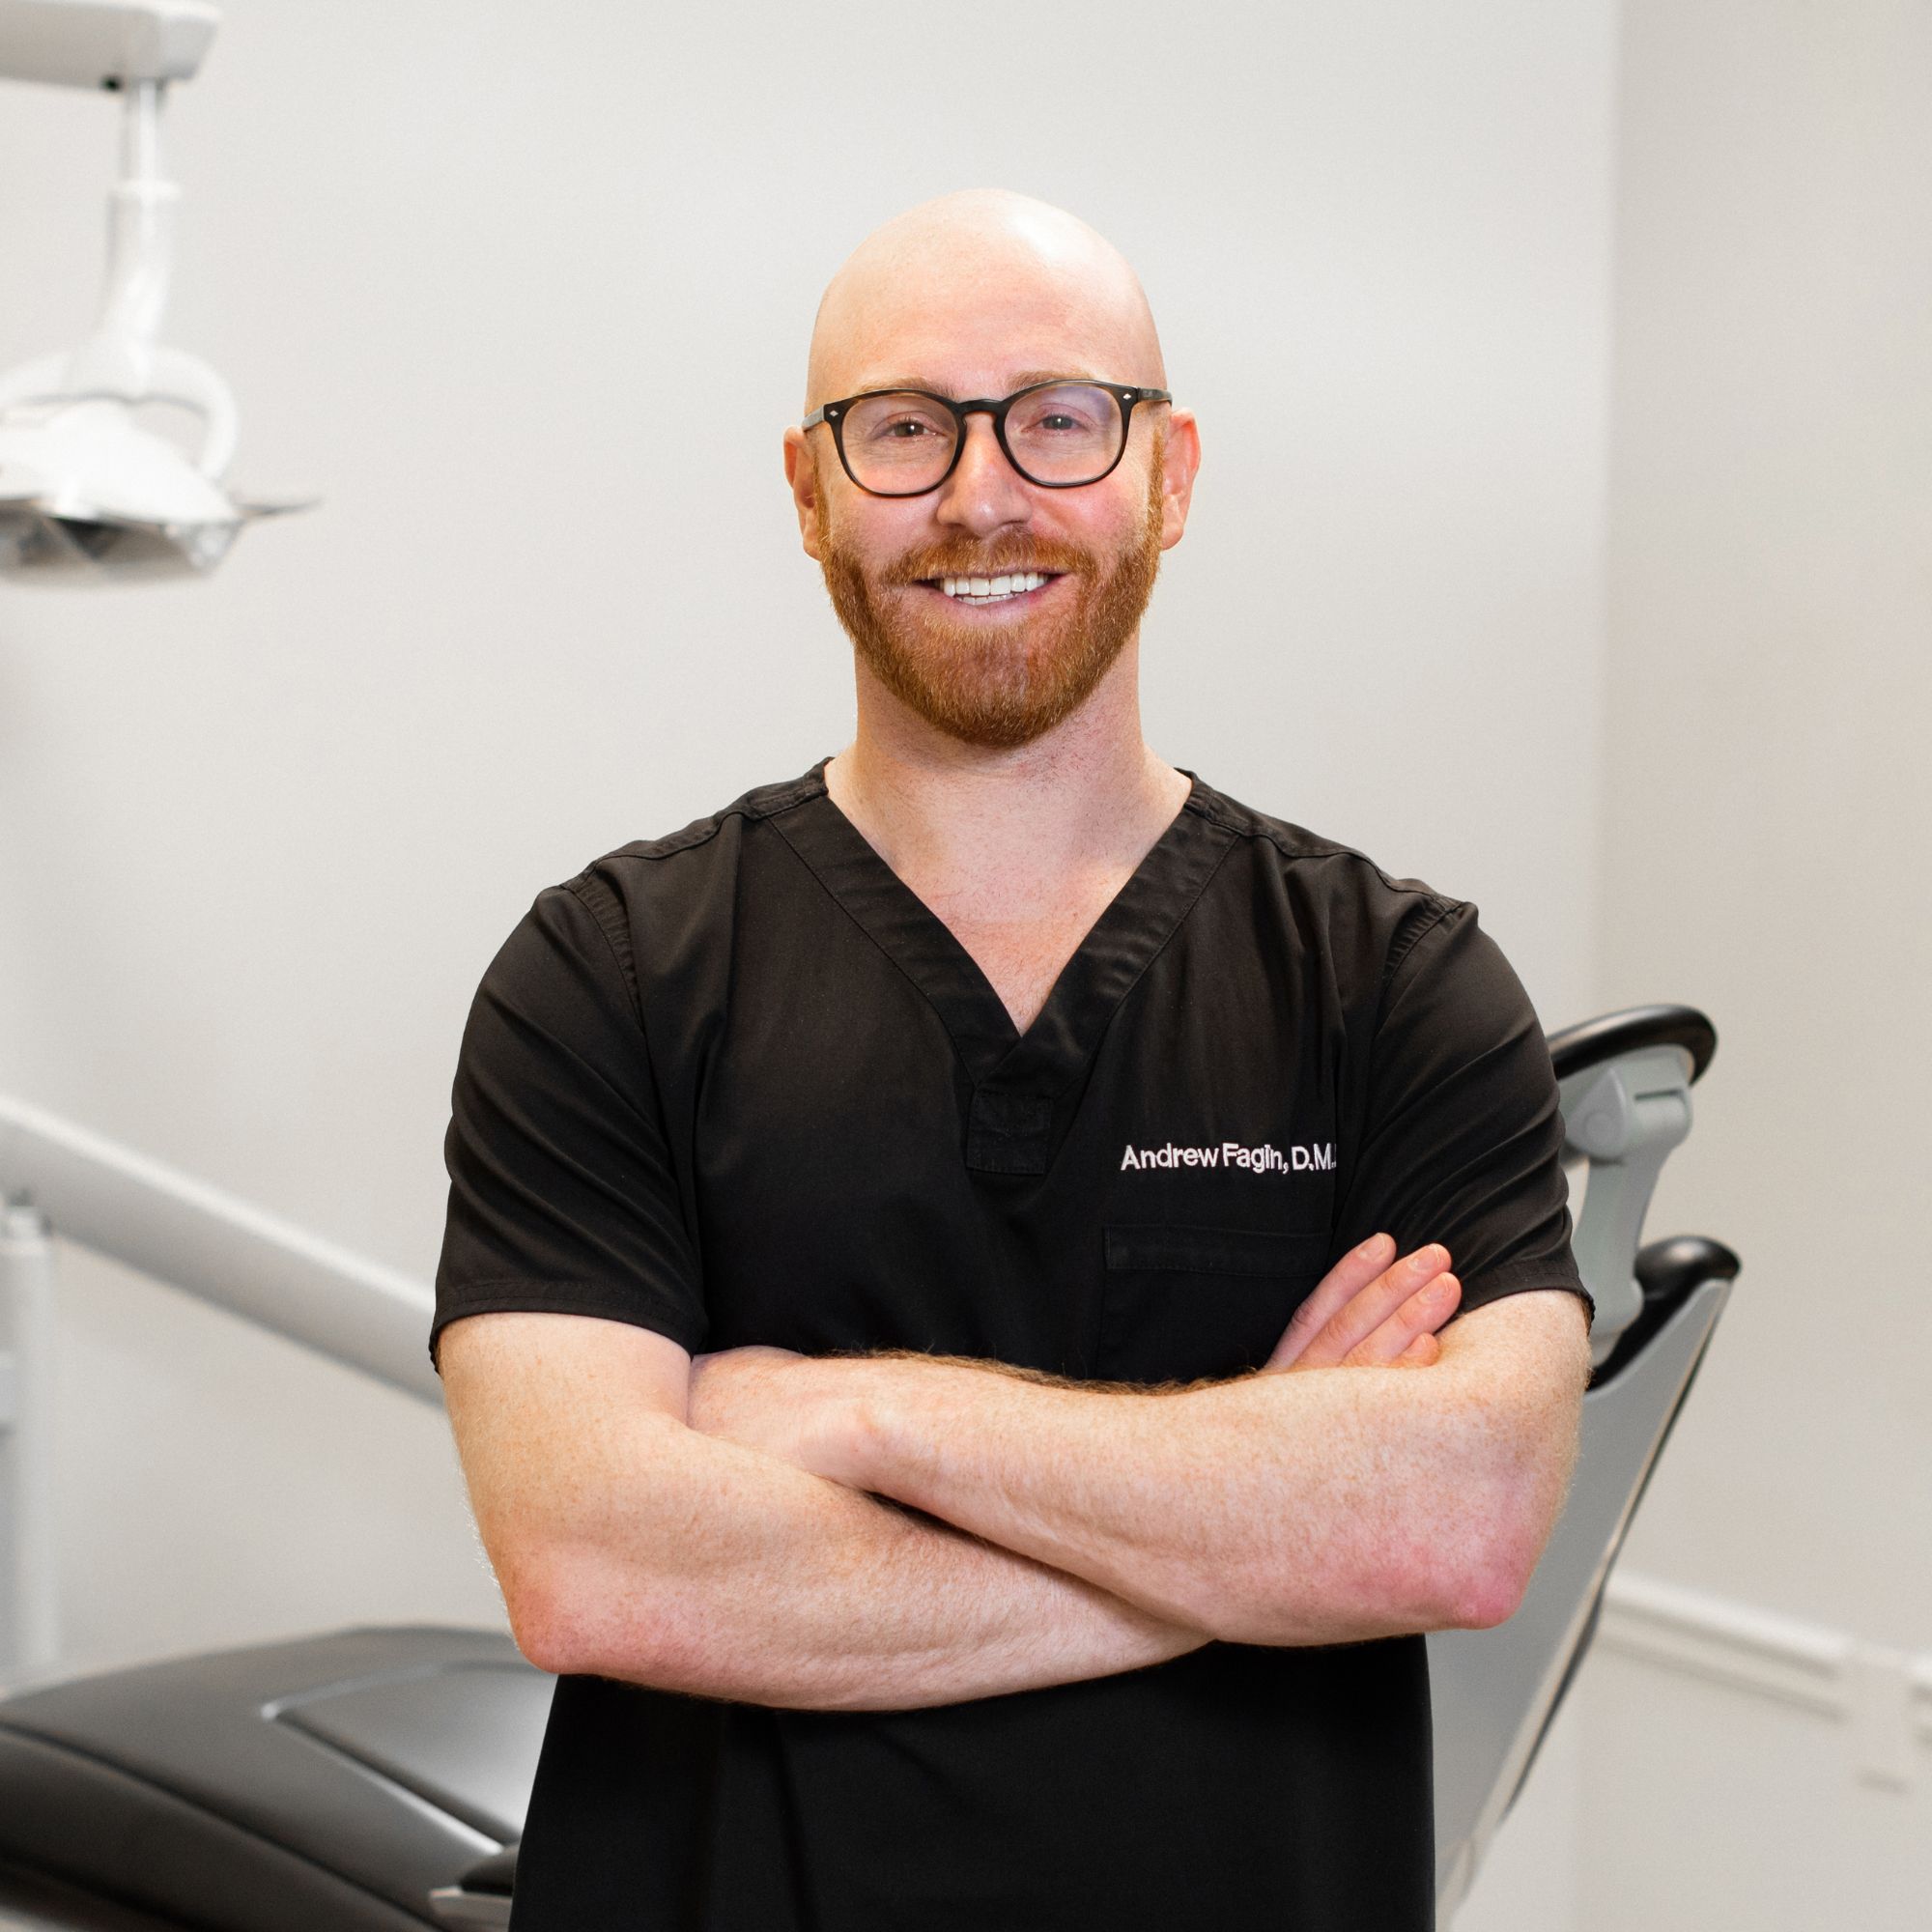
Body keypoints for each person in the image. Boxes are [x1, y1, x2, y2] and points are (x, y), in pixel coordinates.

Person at [430, 188, 1595, 1932]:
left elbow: (1460, 1528)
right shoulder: (607, 976)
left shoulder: (1390, 985)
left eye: (1060, 419)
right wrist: (1264, 1512)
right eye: (902, 427)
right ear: (811, 489)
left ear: (1171, 472)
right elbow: (600, 1567)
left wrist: (855, 1407)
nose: (982, 493)